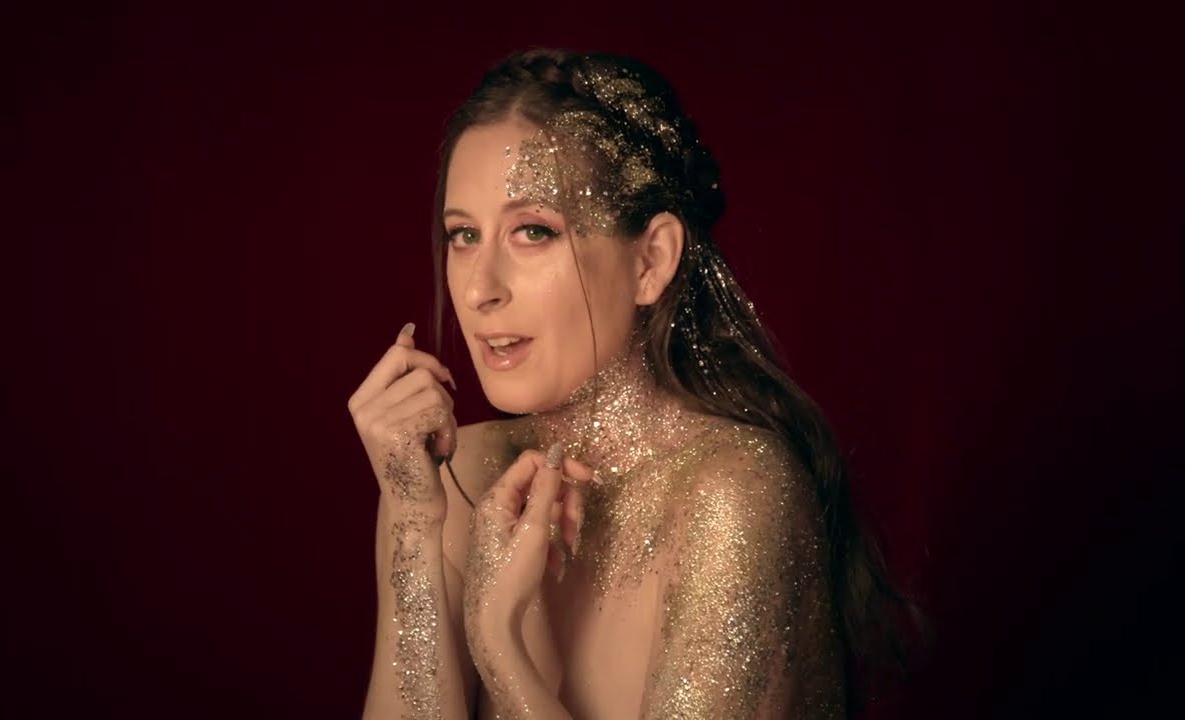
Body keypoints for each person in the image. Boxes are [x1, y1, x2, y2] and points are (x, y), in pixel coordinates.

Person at [350, 49, 909, 719]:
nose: (478, 290)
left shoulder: (731, 495)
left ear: (651, 261)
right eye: (464, 234)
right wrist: (413, 525)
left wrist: (501, 646)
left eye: (533, 231)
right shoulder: (453, 478)